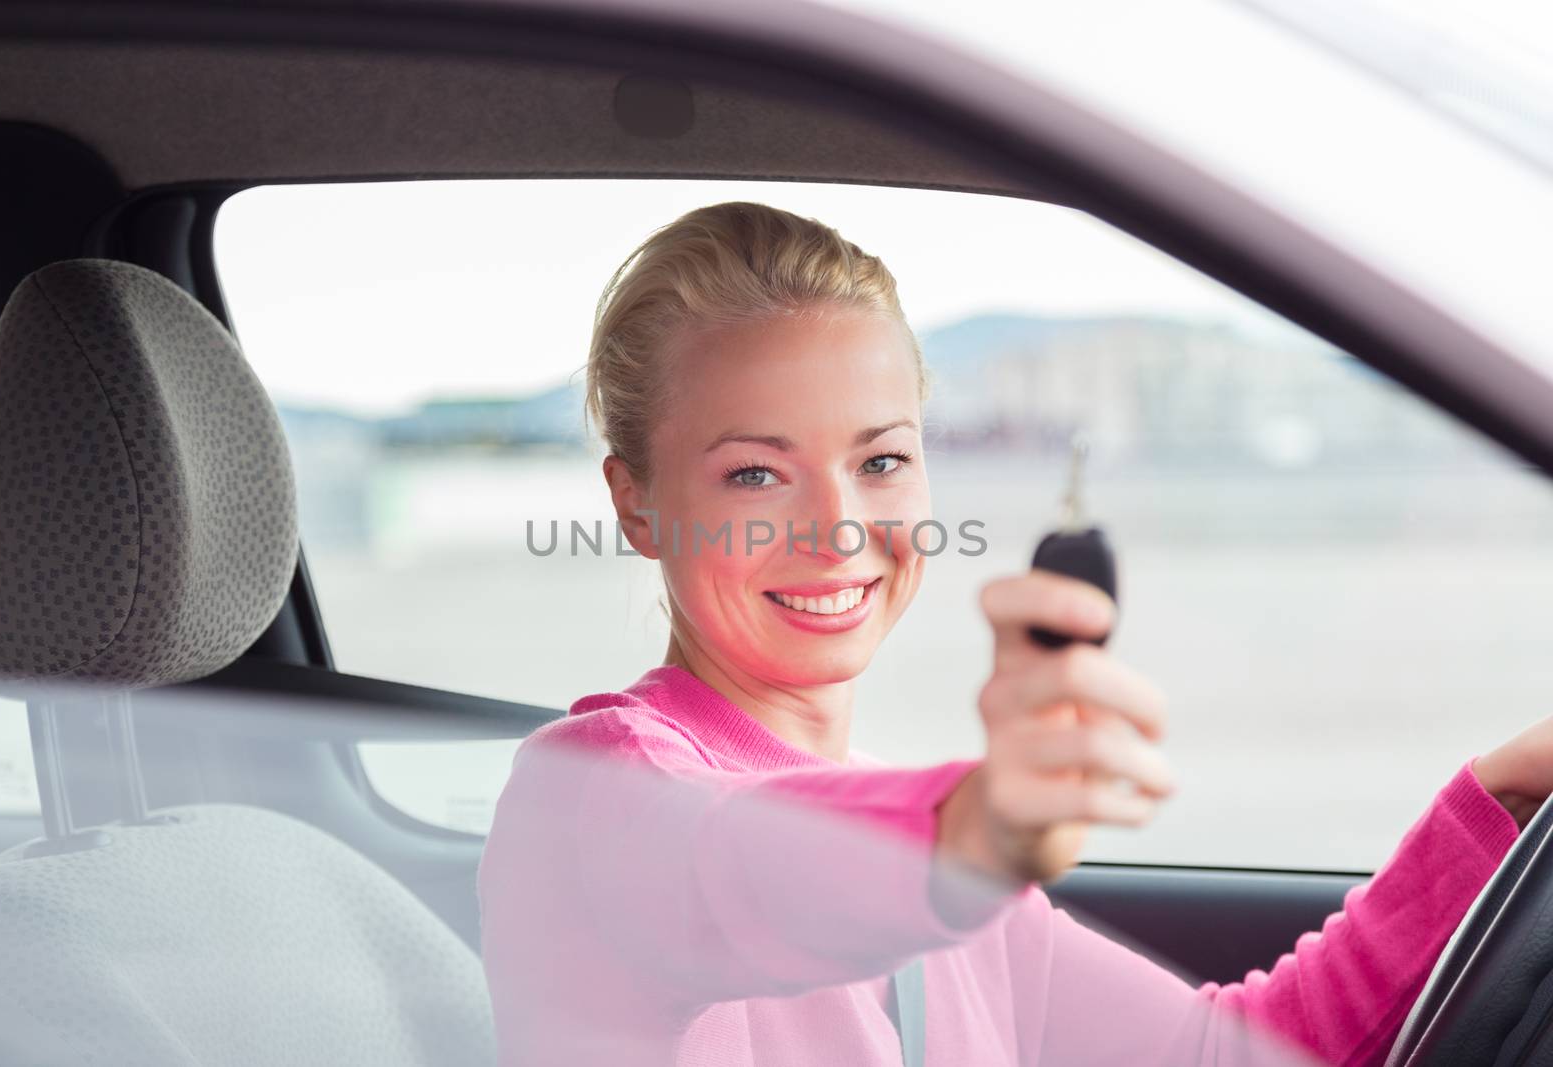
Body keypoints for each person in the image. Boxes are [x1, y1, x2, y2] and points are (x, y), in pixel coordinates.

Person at [477, 200, 1546, 1066]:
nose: (840, 525)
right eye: (754, 472)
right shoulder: (596, 795)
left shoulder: (963, 894)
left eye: (881, 459)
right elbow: (739, 867)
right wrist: (978, 827)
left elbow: (1220, 1054)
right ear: (634, 502)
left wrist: (1489, 806)